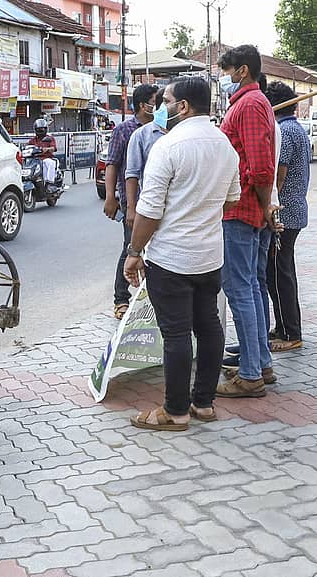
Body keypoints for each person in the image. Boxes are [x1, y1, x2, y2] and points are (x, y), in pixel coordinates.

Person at [124, 77, 241, 431]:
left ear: (184, 106)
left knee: (176, 334)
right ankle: (203, 403)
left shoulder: (168, 146)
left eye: (166, 101)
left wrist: (134, 251)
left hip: (172, 259)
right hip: (209, 257)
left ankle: (175, 411)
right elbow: (231, 200)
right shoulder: (225, 145)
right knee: (209, 326)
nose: (161, 107)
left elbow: (148, 212)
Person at [214, 45, 279, 399]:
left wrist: (265, 206)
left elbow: (261, 167)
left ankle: (251, 373)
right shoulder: (249, 103)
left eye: (227, 72)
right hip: (245, 208)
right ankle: (260, 364)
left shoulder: (250, 104)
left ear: (241, 71)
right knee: (250, 287)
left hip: (240, 210)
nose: (225, 79)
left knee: (240, 290)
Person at [104, 83, 159, 320]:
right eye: (155, 102)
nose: (159, 107)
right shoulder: (125, 130)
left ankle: (152, 297)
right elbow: (112, 164)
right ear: (143, 105)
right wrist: (111, 198)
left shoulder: (162, 130)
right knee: (131, 247)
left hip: (156, 200)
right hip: (133, 202)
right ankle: (121, 299)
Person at [264, 80, 309, 351]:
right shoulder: (295, 128)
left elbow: (278, 178)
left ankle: (290, 333)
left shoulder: (285, 131)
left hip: (285, 213)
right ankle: (283, 326)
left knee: (279, 274)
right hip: (294, 210)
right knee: (281, 271)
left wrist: (269, 206)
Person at [124, 87, 167, 231]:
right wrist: (131, 208)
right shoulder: (141, 135)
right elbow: (132, 174)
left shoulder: (181, 133)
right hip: (150, 206)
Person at [27, 118, 58, 183]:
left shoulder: (50, 138)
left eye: (42, 129)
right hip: (35, 160)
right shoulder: (32, 140)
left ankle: (50, 182)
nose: (40, 131)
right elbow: (28, 148)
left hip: (46, 158)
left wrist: (47, 149)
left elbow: (54, 148)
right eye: (38, 129)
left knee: (50, 163)